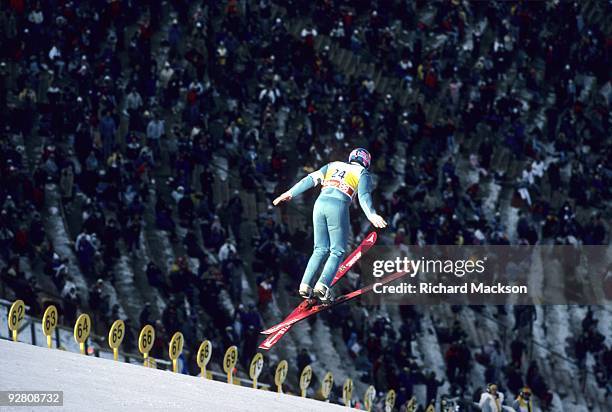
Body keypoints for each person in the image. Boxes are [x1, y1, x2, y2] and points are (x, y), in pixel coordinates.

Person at [273, 148, 387, 303]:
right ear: (366, 162)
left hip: (319, 204)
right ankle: (322, 286)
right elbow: (364, 196)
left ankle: (305, 285)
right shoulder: (363, 173)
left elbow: (309, 179)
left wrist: (289, 193)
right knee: (338, 251)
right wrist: (372, 214)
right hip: (338, 205)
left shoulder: (333, 165)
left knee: (319, 249)